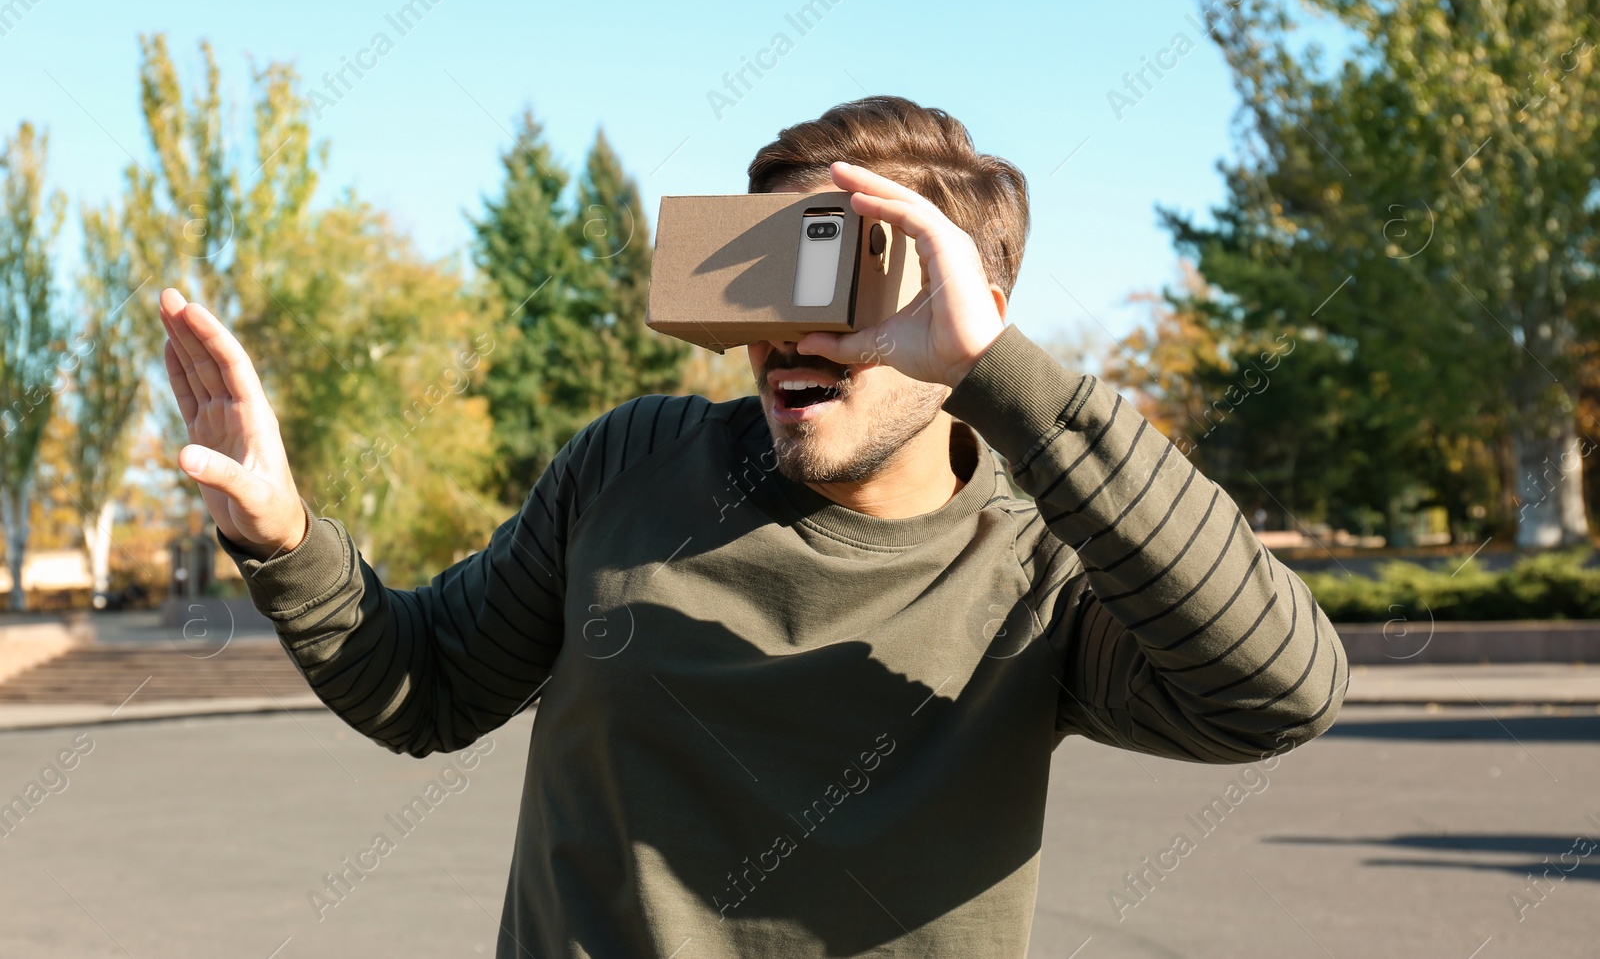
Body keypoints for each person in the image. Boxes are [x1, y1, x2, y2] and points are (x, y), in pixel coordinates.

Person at [160, 96, 1348, 958]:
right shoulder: (632, 461)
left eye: (852, 278)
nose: (795, 327)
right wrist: (283, 535)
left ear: (970, 309)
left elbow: (1279, 691)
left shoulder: (1043, 566)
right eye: (771, 273)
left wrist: (1010, 381)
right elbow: (426, 687)